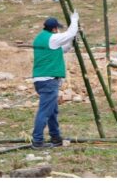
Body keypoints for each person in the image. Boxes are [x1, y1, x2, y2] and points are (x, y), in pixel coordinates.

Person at [31, 11, 79, 149]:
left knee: (52, 110)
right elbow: (70, 33)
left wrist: (72, 43)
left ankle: (55, 137)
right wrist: (74, 20)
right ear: (54, 29)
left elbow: (62, 49)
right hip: (48, 79)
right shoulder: (52, 38)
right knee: (45, 110)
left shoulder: (41, 38)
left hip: (41, 79)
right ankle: (37, 140)